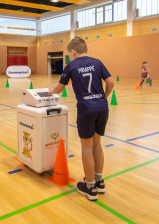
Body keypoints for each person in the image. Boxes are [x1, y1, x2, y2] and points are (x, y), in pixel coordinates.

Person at [49, 36, 114, 201]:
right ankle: (99, 182)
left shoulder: (71, 66)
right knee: (97, 144)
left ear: (72, 51)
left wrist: (49, 92)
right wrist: (104, 98)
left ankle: (90, 187)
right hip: (102, 108)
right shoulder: (97, 62)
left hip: (86, 110)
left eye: (69, 54)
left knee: (87, 147)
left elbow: (59, 88)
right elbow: (111, 82)